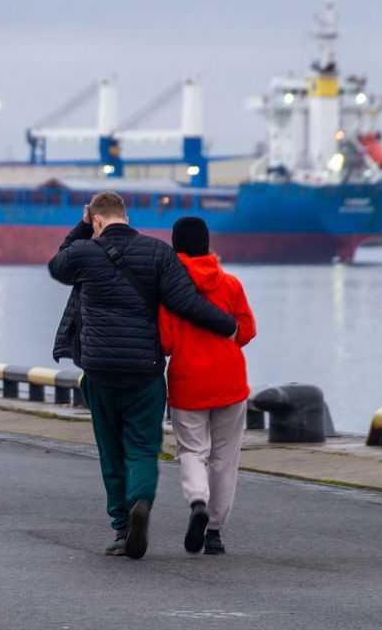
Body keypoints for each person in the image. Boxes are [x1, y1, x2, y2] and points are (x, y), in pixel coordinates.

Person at [49, 192, 237, 560]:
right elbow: (186, 302)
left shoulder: (85, 253)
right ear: (127, 217)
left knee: (111, 452)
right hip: (144, 373)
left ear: (97, 220)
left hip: (100, 371)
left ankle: (122, 529)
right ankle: (141, 501)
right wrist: (225, 324)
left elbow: (58, 264)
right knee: (142, 450)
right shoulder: (158, 252)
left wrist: (83, 227)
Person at [159, 216, 256, 556]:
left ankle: (197, 501)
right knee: (224, 458)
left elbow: (166, 342)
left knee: (192, 451)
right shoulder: (230, 284)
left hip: (189, 383)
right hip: (230, 380)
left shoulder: (170, 289)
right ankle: (214, 532)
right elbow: (246, 329)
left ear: (175, 246)